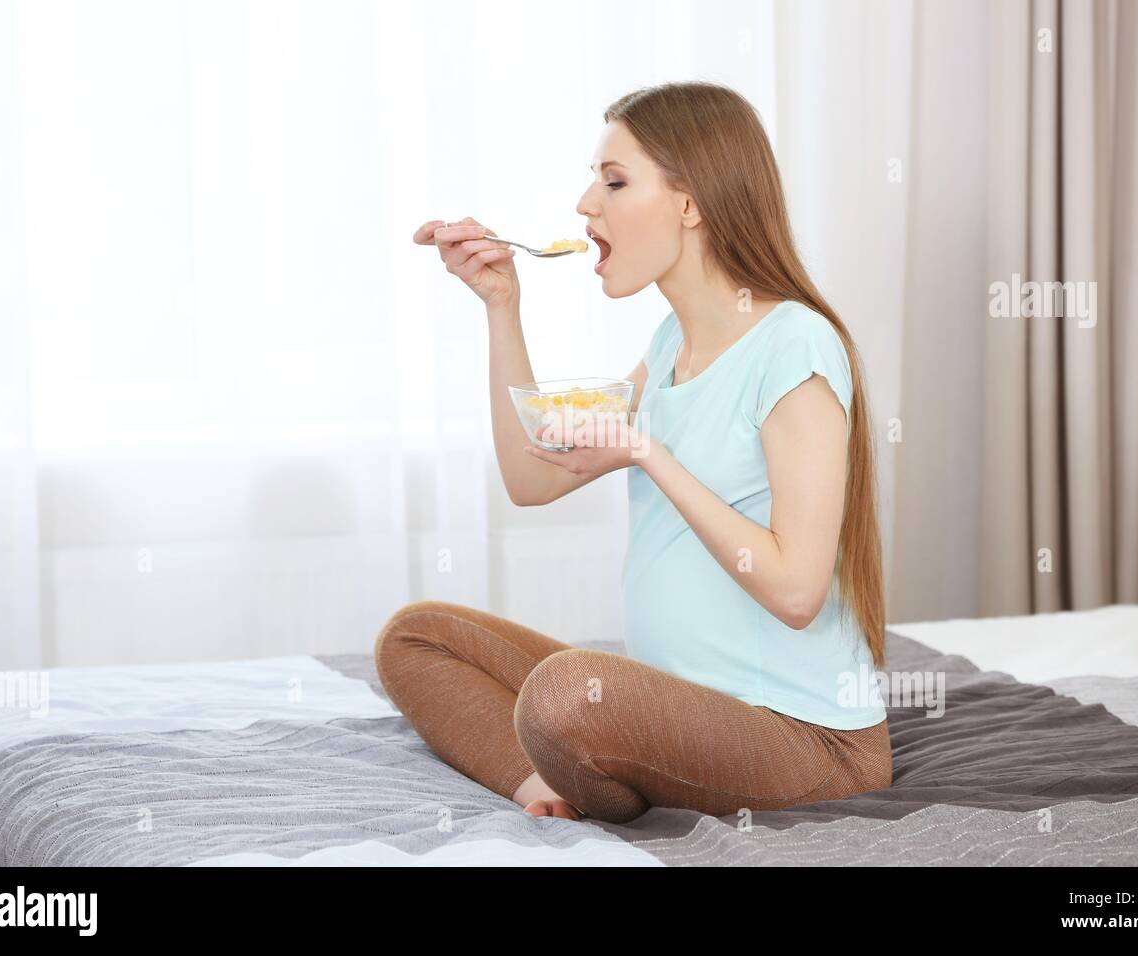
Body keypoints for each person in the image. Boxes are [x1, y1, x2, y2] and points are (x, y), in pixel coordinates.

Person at [376, 81, 891, 824]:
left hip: (802, 740)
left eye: (614, 182)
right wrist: (501, 305)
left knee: (562, 693)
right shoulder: (670, 346)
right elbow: (532, 476)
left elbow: (797, 592)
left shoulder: (793, 343)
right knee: (415, 637)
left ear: (691, 204)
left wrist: (650, 453)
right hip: (675, 707)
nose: (587, 204)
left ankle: (587, 760)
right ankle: (547, 781)